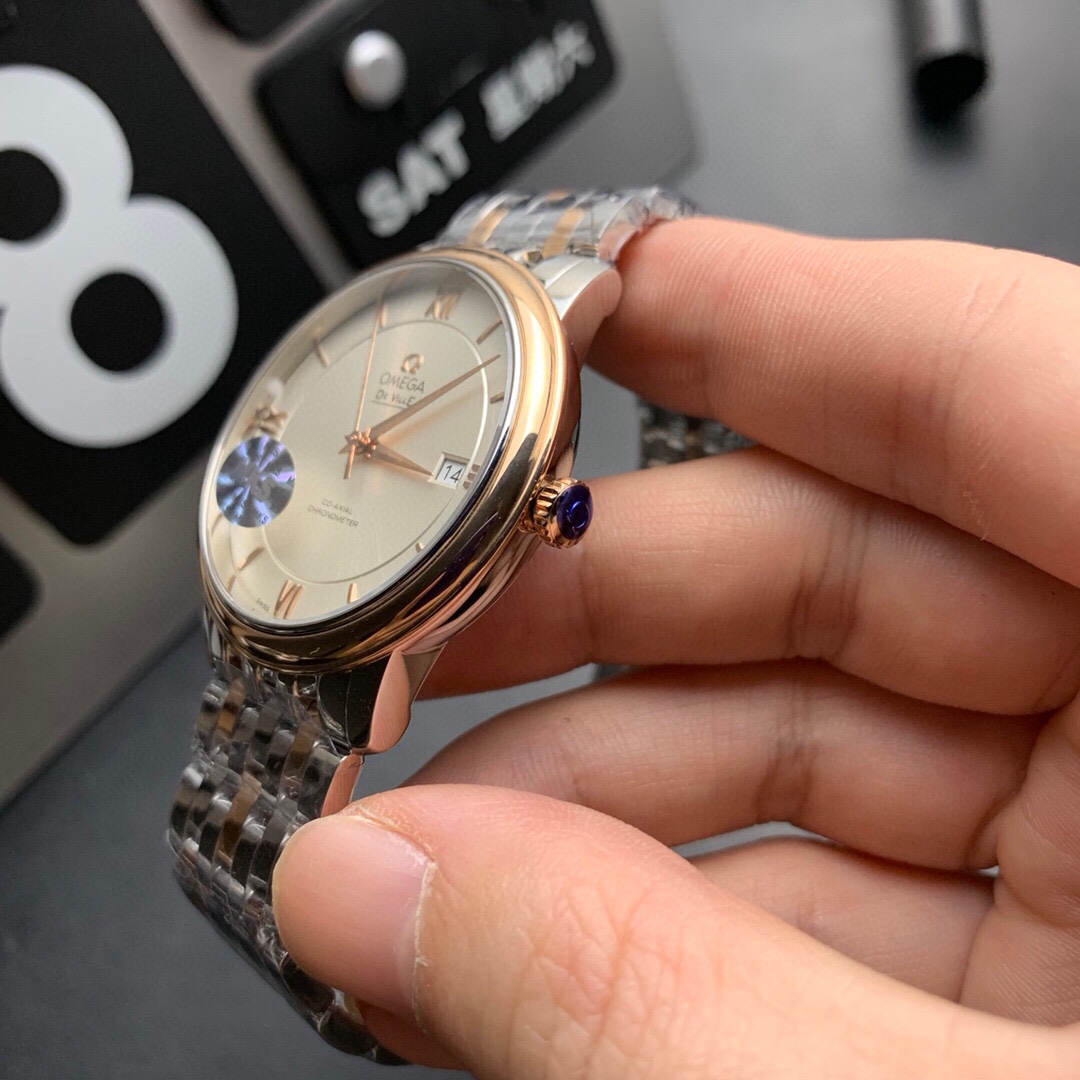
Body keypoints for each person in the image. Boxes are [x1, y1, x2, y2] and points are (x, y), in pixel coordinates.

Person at [273, 217, 1080, 1077]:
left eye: (365, 442)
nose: (360, 442)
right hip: (290, 594)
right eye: (361, 439)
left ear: (554, 511)